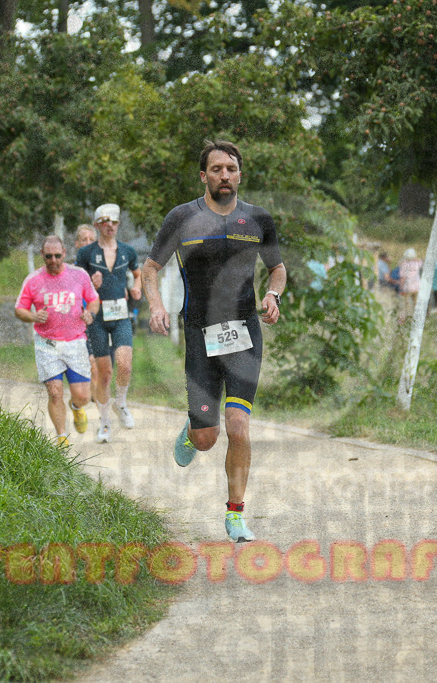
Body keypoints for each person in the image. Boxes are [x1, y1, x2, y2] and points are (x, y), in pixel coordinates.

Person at [142, 139, 286, 544]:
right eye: (218, 169)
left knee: (238, 425)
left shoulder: (257, 219)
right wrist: (155, 306)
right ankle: (193, 428)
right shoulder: (182, 218)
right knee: (207, 438)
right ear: (203, 175)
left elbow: (277, 269)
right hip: (199, 335)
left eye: (232, 169)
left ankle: (236, 515)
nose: (226, 175)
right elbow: (151, 268)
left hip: (244, 334)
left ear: (240, 174)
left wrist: (273, 295)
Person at [15, 236, 100, 448]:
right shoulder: (33, 280)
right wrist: (33, 316)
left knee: (83, 396)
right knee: (54, 392)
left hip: (75, 342)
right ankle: (62, 437)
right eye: (49, 256)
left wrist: (90, 313)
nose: (53, 260)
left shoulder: (78, 275)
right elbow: (20, 309)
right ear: (42, 255)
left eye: (57, 255)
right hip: (47, 344)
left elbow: (93, 299)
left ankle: (76, 407)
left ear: (64, 252)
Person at [75, 203, 142, 444]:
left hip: (120, 315)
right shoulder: (85, 254)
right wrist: (91, 283)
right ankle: (104, 423)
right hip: (97, 318)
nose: (110, 226)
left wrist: (137, 288)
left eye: (114, 222)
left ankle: (121, 403)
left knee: (124, 364)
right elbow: (76, 284)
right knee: (104, 374)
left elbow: (138, 273)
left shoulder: (128, 251)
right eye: (105, 222)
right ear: (97, 225)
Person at [73, 224, 99, 400]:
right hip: (78, 324)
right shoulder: (73, 271)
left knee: (100, 367)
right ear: (76, 244)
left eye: (92, 240)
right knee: (90, 365)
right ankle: (82, 402)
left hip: (100, 321)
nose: (88, 243)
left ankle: (100, 413)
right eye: (84, 240)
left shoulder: (102, 267)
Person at [398, 247, 422, 319]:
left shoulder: (404, 264)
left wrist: (401, 288)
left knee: (407, 305)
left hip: (408, 287)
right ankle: (417, 320)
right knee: (416, 305)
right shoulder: (418, 263)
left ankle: (408, 319)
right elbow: (420, 261)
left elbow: (402, 277)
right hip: (417, 287)